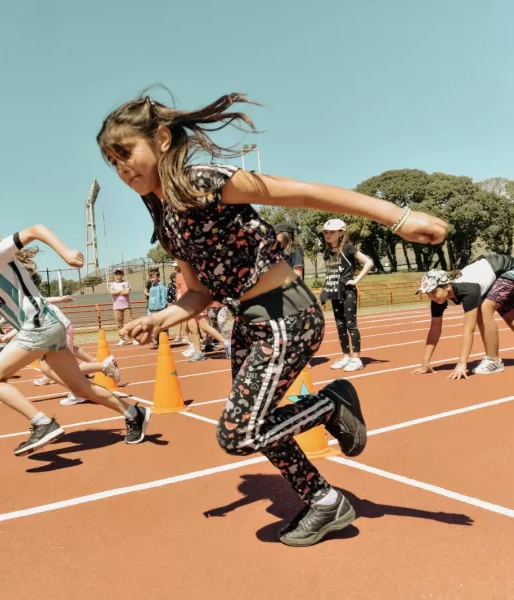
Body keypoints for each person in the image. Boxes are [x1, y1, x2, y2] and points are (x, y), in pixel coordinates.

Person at [96, 91, 447, 545]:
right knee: (258, 423)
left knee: (238, 433)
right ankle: (323, 502)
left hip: (287, 314)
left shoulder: (205, 180)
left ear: (162, 139)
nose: (122, 169)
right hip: (248, 322)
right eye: (112, 162)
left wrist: (397, 218)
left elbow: (304, 193)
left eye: (125, 154)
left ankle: (331, 404)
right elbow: (200, 292)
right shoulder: (166, 222)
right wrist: (161, 317)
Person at [0, 219, 150, 456]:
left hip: (39, 326)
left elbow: (35, 230)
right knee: (79, 387)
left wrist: (65, 252)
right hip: (48, 327)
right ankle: (133, 413)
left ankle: (42, 422)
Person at [413, 253, 514, 378]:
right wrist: (425, 362)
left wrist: (462, 363)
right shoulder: (438, 299)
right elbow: (435, 328)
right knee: (506, 311)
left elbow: (469, 329)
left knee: (484, 309)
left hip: (509, 268)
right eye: (428, 293)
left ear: (447, 286)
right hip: (497, 273)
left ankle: (493, 360)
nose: (432, 297)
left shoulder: (468, 290)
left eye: (434, 291)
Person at [319, 219, 374, 372]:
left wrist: (356, 280)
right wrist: (325, 290)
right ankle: (346, 357)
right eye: (325, 232)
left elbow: (368, 262)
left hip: (347, 291)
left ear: (341, 233)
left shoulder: (348, 248)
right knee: (340, 325)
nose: (327, 235)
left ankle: (356, 359)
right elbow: (330, 273)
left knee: (350, 324)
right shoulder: (327, 252)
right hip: (334, 292)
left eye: (331, 232)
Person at [110, 269, 138, 346]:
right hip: (116, 307)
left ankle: (134, 338)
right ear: (114, 275)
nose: (118, 275)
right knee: (119, 324)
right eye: (116, 274)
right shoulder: (112, 284)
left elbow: (127, 292)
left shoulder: (126, 283)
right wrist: (122, 290)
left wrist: (117, 292)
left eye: (119, 273)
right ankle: (122, 339)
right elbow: (112, 292)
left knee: (130, 323)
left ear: (122, 274)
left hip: (126, 306)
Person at [146, 268, 169, 348]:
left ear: (158, 277)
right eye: (150, 278)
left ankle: (164, 341)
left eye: (153, 277)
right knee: (155, 328)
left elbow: (164, 298)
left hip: (160, 310)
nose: (152, 279)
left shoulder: (161, 287)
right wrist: (150, 309)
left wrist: (163, 308)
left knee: (162, 327)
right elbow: (151, 300)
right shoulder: (151, 288)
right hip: (153, 310)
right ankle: (157, 342)